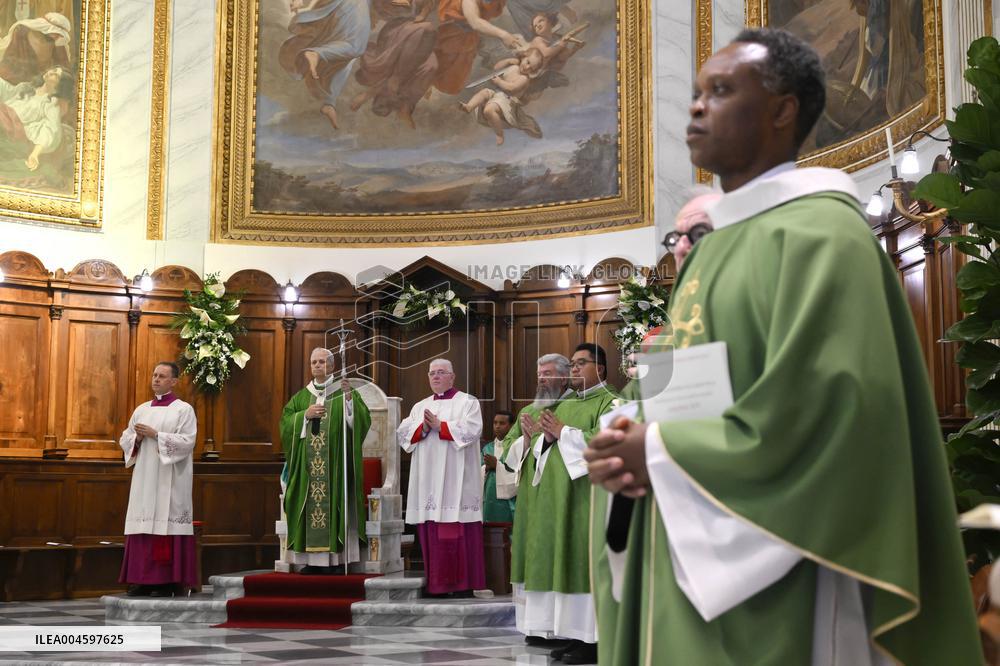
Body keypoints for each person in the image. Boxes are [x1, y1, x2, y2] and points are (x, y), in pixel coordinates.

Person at [584, 28, 981, 665]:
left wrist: (654, 450)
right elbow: (689, 390)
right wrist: (630, 445)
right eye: (694, 92)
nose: (694, 107)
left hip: (781, 567)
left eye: (719, 90)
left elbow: (827, 417)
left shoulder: (822, 237)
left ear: (782, 110)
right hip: (686, 543)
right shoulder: (716, 251)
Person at [511, 343, 616, 665]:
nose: (574, 369)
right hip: (557, 499)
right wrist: (534, 439)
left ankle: (596, 639)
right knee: (565, 563)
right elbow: (547, 445)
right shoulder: (564, 404)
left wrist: (564, 433)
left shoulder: (612, 402)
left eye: (581, 364)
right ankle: (574, 634)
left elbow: (609, 443)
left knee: (582, 563)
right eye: (571, 363)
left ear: (600, 368)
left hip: (588, 499)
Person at [397, 358, 486, 597]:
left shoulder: (467, 402)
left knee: (456, 529)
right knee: (433, 531)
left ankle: (461, 586)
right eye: (432, 373)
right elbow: (403, 434)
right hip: (428, 481)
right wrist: (423, 429)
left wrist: (440, 425)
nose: (435, 377)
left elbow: (473, 430)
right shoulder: (419, 406)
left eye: (441, 372)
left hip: (458, 480)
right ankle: (437, 585)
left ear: (452, 376)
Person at [280, 347, 372, 572]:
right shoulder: (301, 397)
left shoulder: (344, 391)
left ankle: (336, 561)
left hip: (335, 467)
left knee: (336, 505)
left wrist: (349, 400)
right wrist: (304, 416)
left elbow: (361, 420)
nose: (317, 366)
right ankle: (310, 562)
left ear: (332, 365)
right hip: (307, 470)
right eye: (314, 362)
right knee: (304, 503)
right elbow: (285, 424)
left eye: (322, 362)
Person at [118, 362, 198, 597]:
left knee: (167, 523)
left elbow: (188, 441)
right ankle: (142, 580)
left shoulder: (183, 410)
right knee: (143, 523)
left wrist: (156, 436)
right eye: (154, 375)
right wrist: (138, 440)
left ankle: (169, 581)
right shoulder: (142, 409)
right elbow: (126, 438)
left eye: (162, 376)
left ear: (174, 381)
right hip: (145, 478)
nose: (156, 379)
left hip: (170, 479)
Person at [278, 0, 371, 130]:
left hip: (337, 8)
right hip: (351, 5)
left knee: (340, 58)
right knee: (356, 46)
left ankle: (329, 102)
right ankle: (316, 54)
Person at [496, 353, 573, 502]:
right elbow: (506, 446)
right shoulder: (528, 411)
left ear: (563, 378)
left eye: (547, 373)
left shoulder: (578, 406)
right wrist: (525, 442)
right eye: (539, 374)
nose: (541, 378)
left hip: (563, 486)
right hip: (531, 488)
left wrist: (547, 438)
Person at [460, 48, 544, 145]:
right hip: (497, 94)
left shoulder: (524, 78)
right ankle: (469, 107)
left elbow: (511, 88)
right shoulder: (514, 67)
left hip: (508, 101)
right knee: (484, 92)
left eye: (531, 68)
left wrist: (499, 82)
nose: (527, 67)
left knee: (488, 110)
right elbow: (496, 68)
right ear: (524, 56)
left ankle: (499, 134)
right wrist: (507, 61)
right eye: (528, 62)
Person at [0, 65, 72, 172]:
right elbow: (8, 92)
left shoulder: (50, 104)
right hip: (4, 116)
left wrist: (34, 154)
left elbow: (50, 130)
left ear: (60, 85)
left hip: (13, 129)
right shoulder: (27, 88)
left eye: (56, 75)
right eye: (53, 70)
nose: (51, 72)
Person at [481, 410, 515, 522]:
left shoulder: (516, 446)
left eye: (502, 423)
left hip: (508, 502)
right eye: (495, 423)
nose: (497, 426)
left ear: (511, 426)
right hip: (489, 498)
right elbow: (477, 473)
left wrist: (497, 466)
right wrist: (485, 468)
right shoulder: (487, 448)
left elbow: (520, 473)